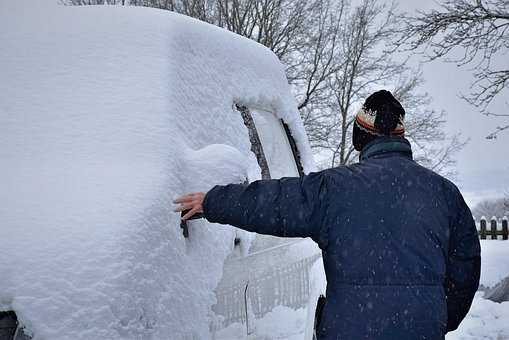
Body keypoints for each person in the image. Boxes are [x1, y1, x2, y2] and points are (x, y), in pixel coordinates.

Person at [174, 90, 481, 340]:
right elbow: (465, 270)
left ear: (360, 137)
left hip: (350, 330)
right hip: (421, 330)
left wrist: (213, 202)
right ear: (400, 137)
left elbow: (273, 202)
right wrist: (435, 317)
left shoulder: (334, 188)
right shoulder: (444, 193)